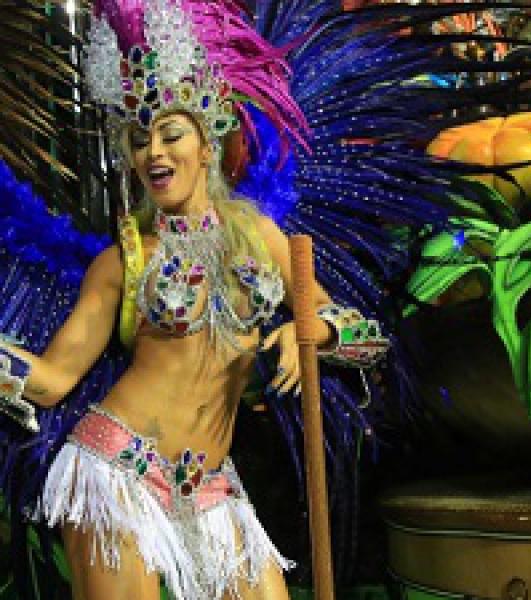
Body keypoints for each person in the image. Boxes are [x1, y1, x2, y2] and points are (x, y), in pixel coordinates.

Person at [0, 1, 389, 598]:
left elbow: (367, 339)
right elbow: (52, 382)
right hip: (117, 472)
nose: (154, 153)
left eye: (171, 134)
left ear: (207, 144)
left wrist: (315, 331)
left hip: (212, 488)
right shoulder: (123, 261)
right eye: (139, 141)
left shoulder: (260, 237)